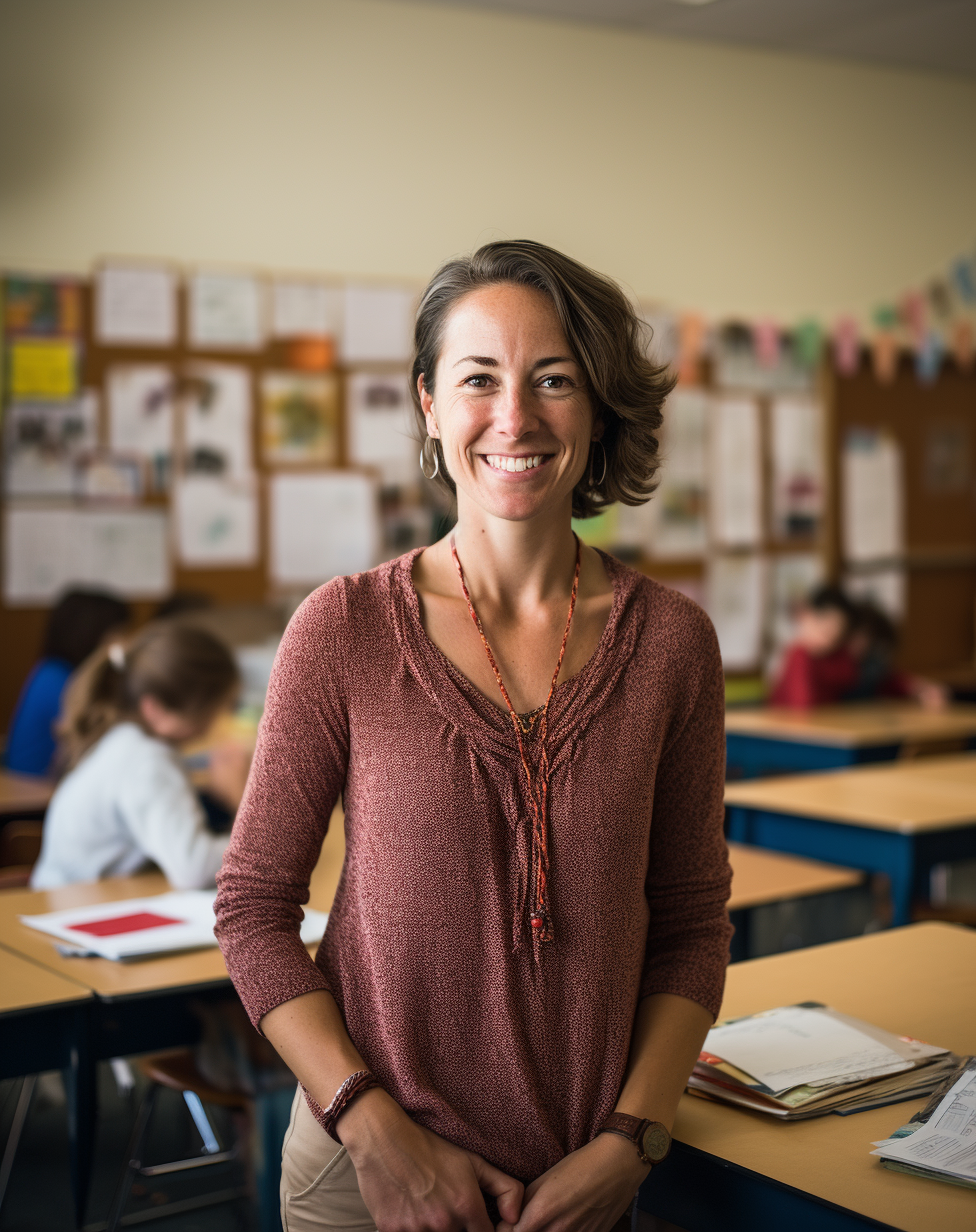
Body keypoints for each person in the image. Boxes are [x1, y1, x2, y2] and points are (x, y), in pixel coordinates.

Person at [214, 240, 732, 1232]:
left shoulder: (671, 642)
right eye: (478, 378)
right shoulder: (344, 629)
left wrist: (633, 1137)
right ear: (427, 403)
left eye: (554, 380)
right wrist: (374, 1130)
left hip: (582, 1183)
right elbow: (252, 911)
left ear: (598, 404)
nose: (516, 418)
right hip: (368, 1173)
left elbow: (691, 924)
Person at [31, 622, 247, 890]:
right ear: (155, 709)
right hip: (71, 911)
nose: (222, 719)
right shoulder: (147, 760)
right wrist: (242, 800)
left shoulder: (123, 741)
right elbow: (195, 870)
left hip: (73, 900)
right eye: (221, 707)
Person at [5, 589, 130, 776]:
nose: (125, 642)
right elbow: (109, 736)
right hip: (34, 792)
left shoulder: (52, 670)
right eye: (119, 633)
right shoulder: (61, 681)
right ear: (91, 634)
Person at [846, 599, 948, 710]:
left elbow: (895, 681)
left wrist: (924, 688)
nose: (861, 642)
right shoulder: (832, 667)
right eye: (855, 635)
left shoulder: (872, 667)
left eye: (867, 637)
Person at [769, 585, 858, 707]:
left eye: (838, 633)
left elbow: (850, 676)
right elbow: (802, 705)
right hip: (790, 723)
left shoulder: (838, 655)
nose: (831, 639)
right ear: (809, 617)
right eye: (825, 630)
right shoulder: (799, 654)